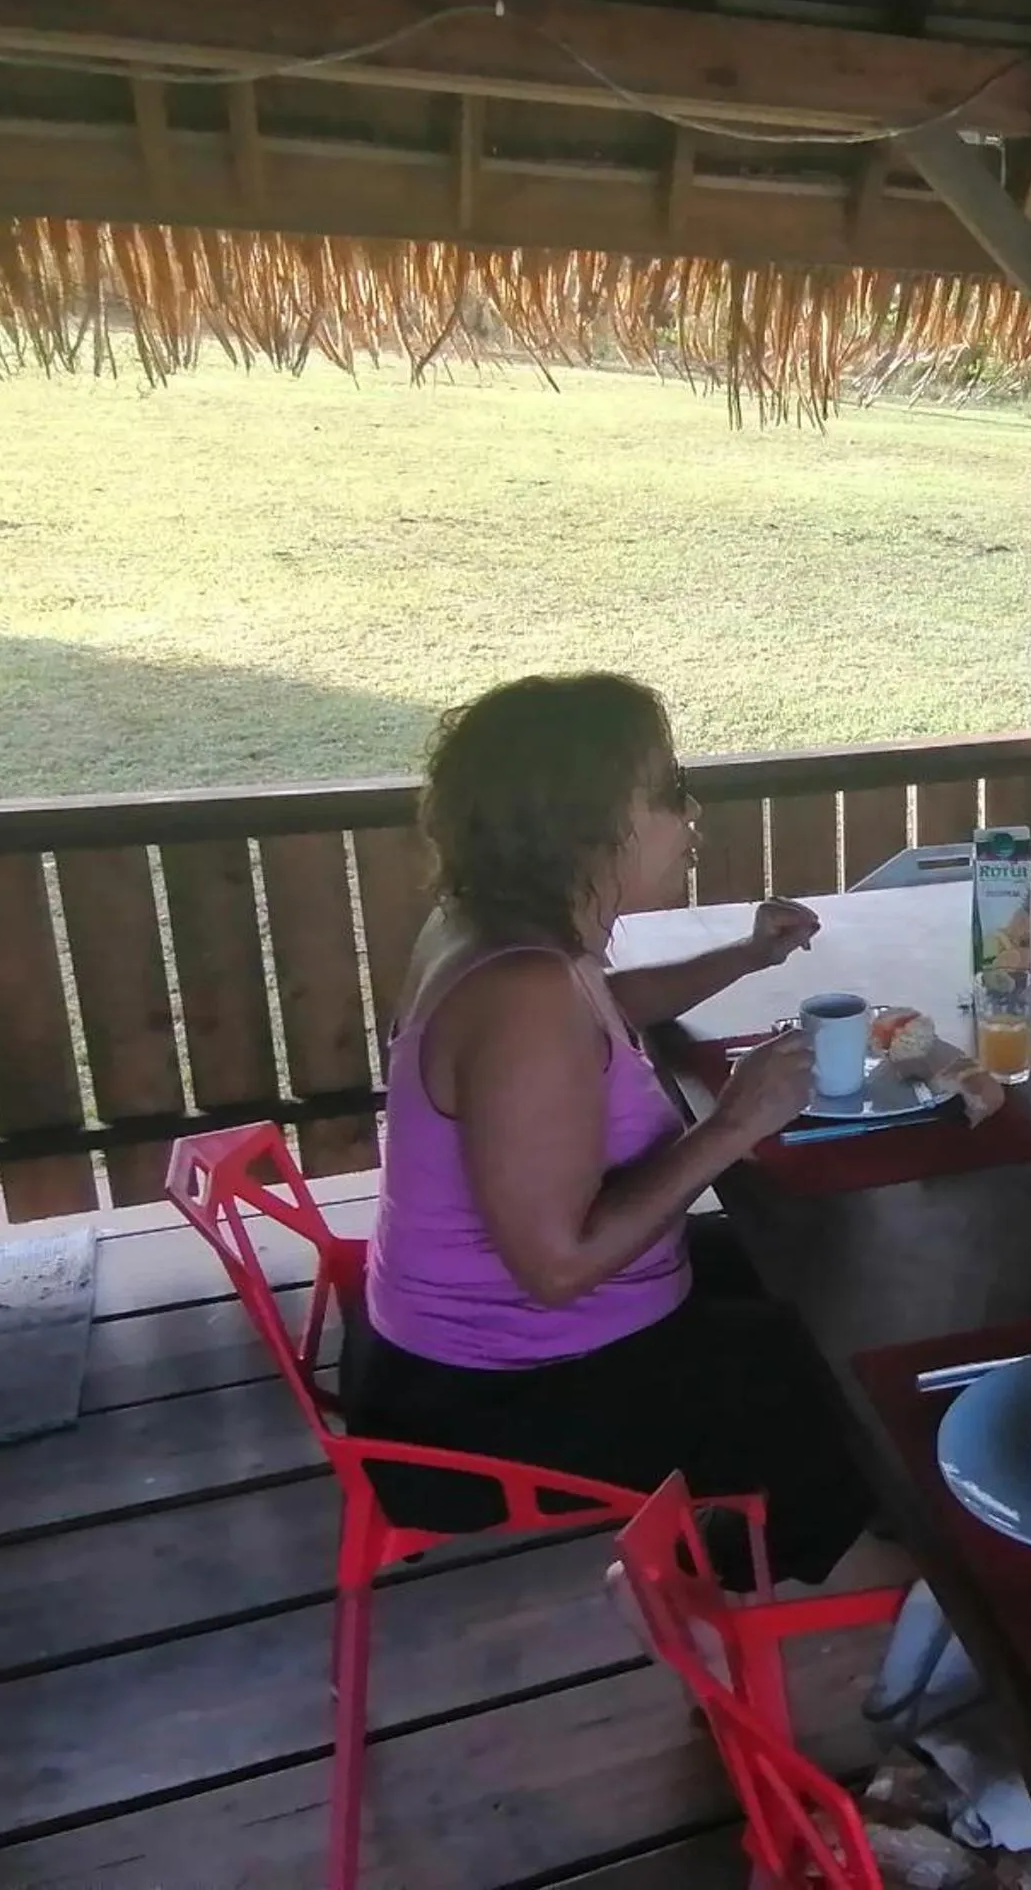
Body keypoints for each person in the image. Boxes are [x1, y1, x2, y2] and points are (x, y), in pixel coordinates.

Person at [344, 671, 871, 1586]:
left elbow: (606, 1010)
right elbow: (557, 1267)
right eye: (668, 792)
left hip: (486, 1347)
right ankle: (701, 1582)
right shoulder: (520, 995)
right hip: (488, 1399)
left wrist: (744, 957)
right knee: (854, 1389)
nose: (692, 812)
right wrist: (734, 1124)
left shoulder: (506, 936)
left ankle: (820, 1517)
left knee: (827, 1267)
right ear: (581, 826)